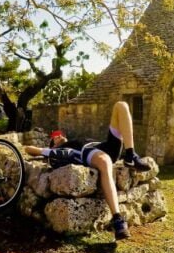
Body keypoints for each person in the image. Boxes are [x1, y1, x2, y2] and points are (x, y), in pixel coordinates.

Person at [24, 101, 151, 240]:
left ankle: (131, 154)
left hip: (105, 146)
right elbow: (29, 149)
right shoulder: (58, 150)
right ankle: (118, 219)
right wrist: (48, 151)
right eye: (55, 135)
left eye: (60, 133)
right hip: (88, 153)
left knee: (121, 105)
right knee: (104, 161)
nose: (59, 135)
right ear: (52, 144)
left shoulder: (73, 140)